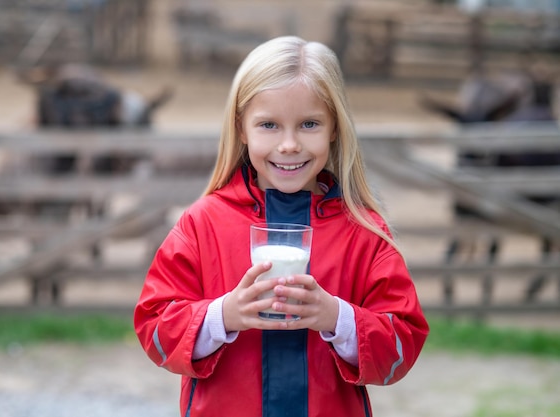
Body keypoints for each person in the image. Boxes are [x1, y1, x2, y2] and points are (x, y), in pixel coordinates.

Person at [133, 35, 429, 417]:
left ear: (334, 127)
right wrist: (224, 315)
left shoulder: (363, 231)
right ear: (242, 129)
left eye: (309, 124)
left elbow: (401, 349)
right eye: (269, 125)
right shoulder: (202, 223)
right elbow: (154, 329)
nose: (289, 145)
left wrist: (336, 317)